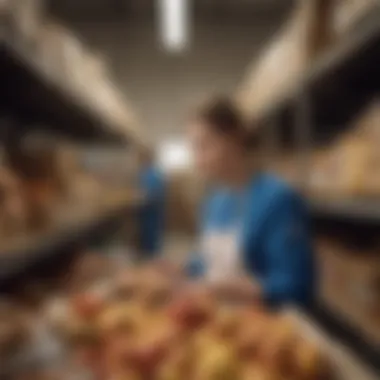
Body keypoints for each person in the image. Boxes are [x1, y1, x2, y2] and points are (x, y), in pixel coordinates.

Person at [184, 96, 315, 308]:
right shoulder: (216, 201)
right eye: (194, 148)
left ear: (235, 140)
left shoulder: (277, 199)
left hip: (262, 322)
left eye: (204, 146)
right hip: (219, 318)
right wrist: (183, 268)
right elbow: (209, 262)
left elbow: (296, 285)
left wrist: (244, 289)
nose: (197, 160)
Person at [136, 147, 165, 259]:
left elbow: (152, 195)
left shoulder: (152, 174)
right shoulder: (144, 173)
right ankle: (149, 258)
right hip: (147, 212)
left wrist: (139, 197)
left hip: (151, 211)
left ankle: (152, 260)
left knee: (151, 237)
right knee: (148, 236)